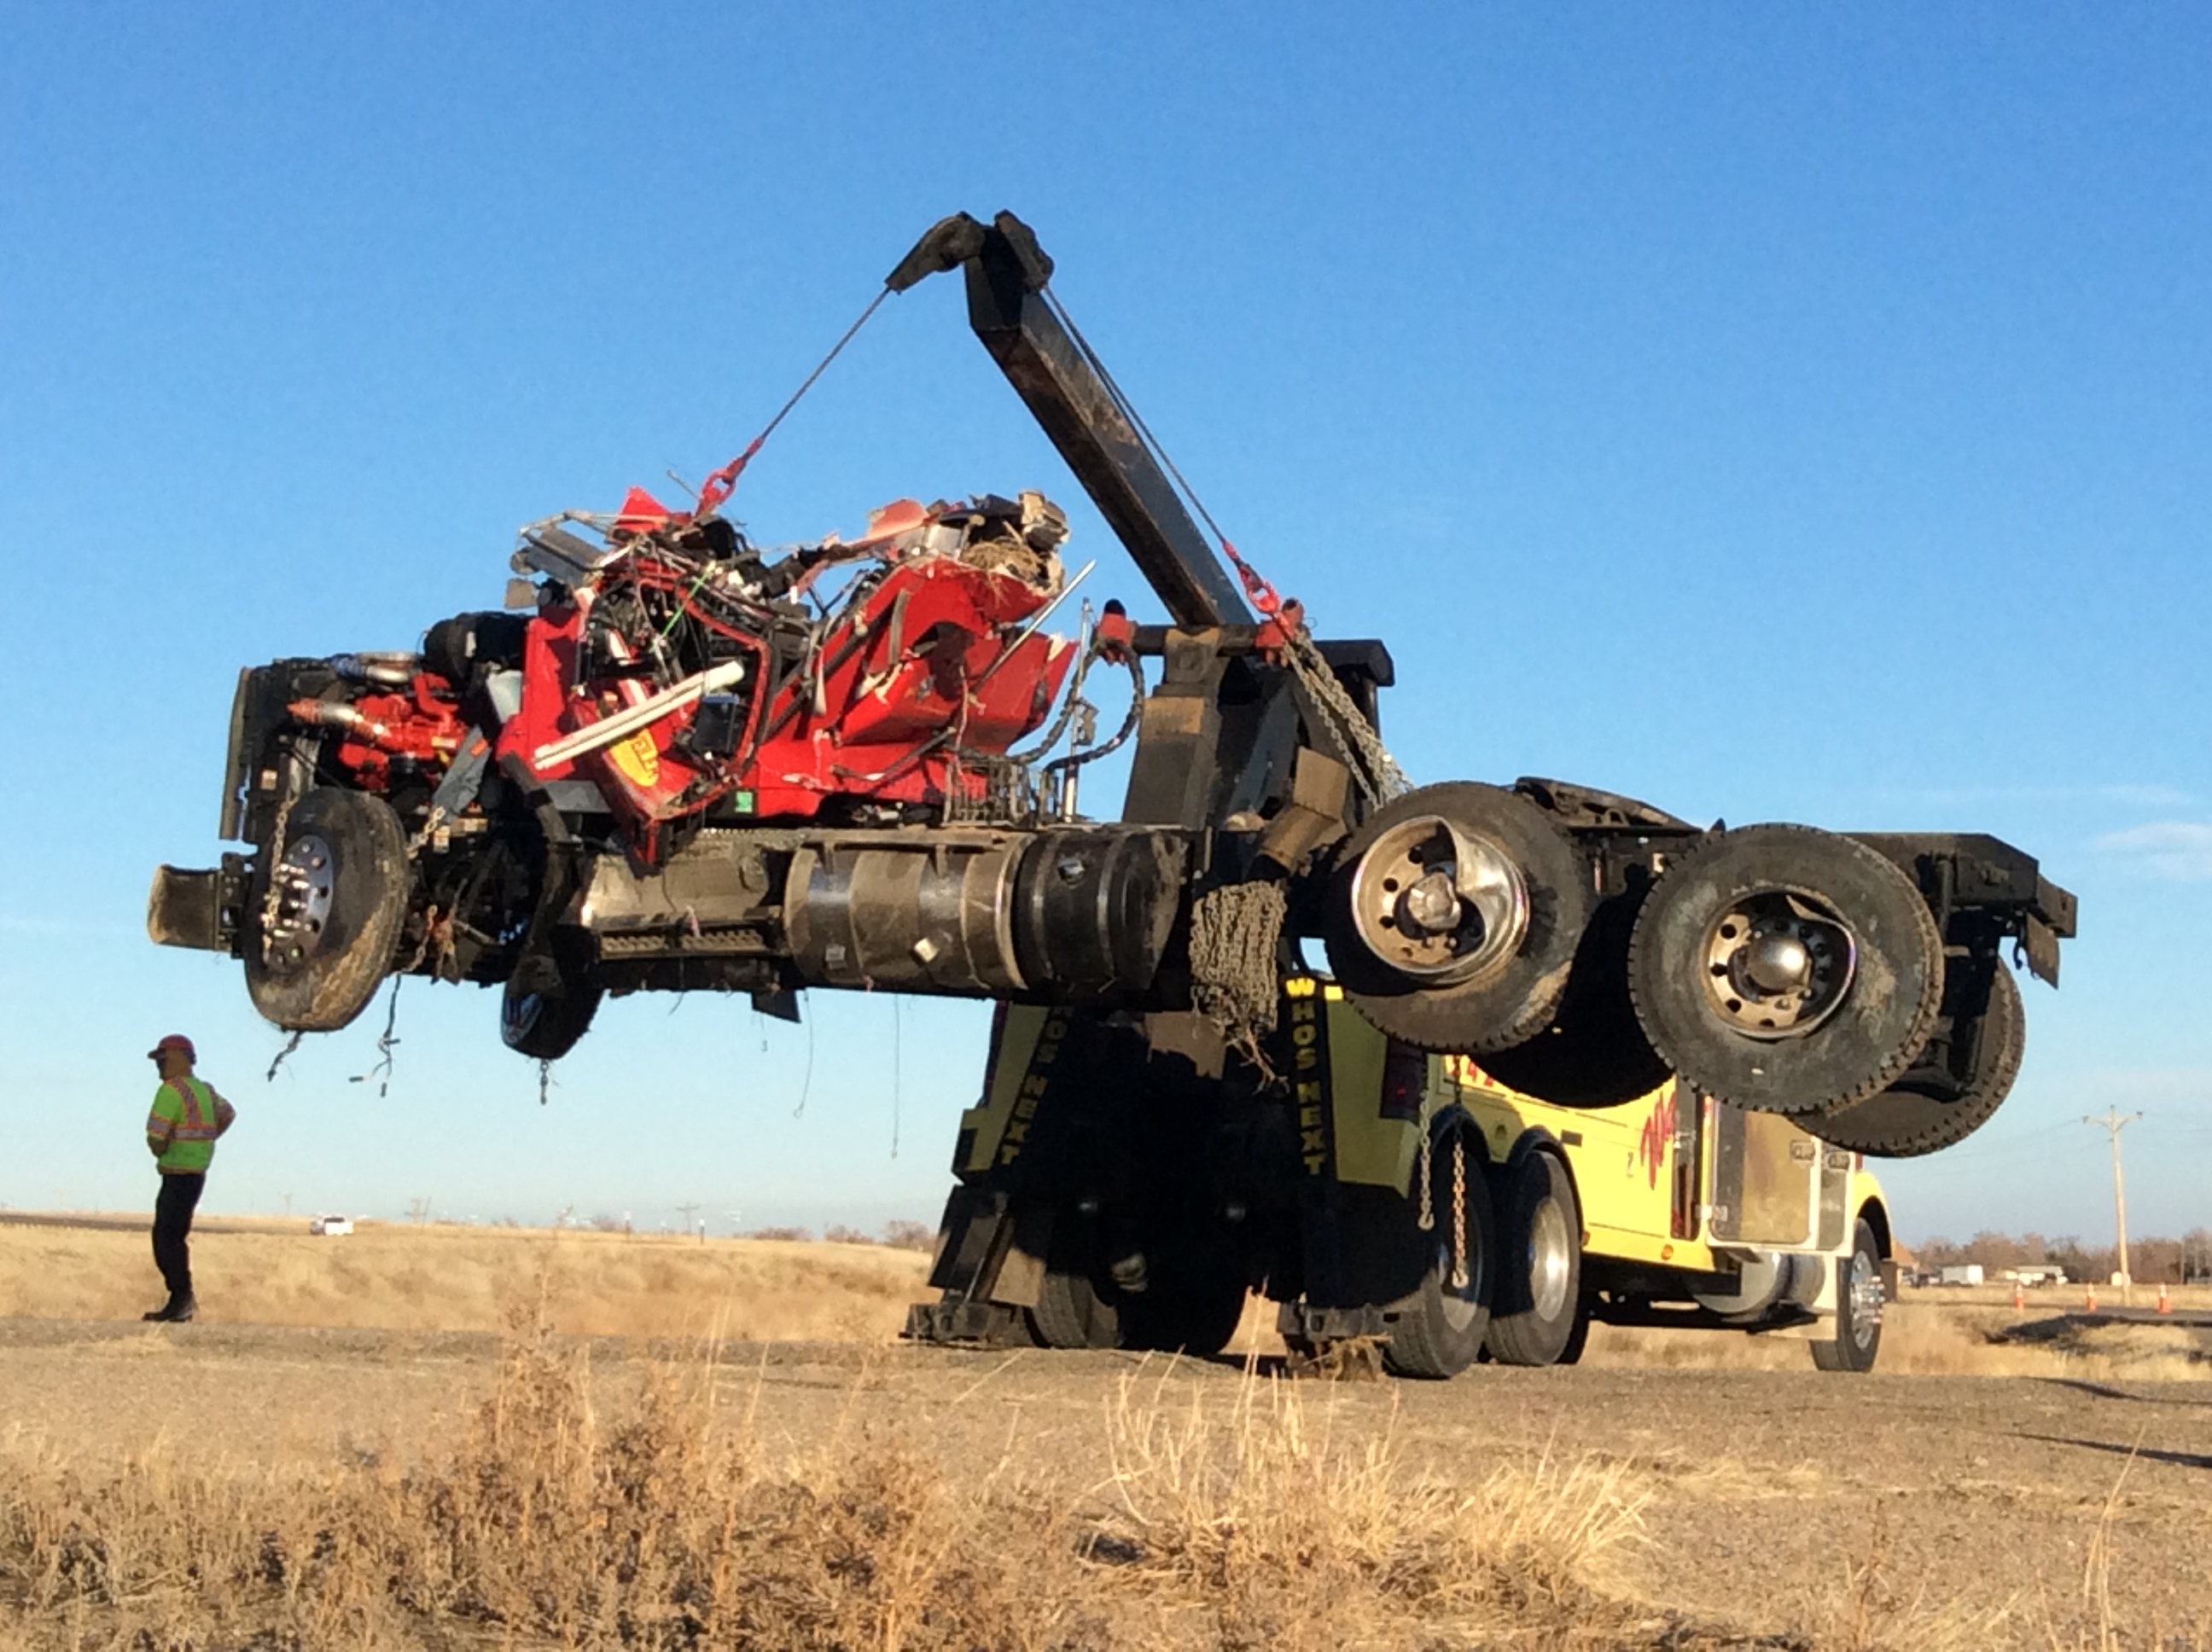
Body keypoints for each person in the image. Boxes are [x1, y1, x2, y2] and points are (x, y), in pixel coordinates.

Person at [143, 1033, 236, 1323]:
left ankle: (181, 1298)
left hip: (176, 1172)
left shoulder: (171, 1091)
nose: (159, 1066)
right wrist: (207, 1140)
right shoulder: (205, 1091)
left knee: (165, 1238)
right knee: (176, 1236)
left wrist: (164, 1149)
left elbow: (156, 1136)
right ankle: (181, 1298)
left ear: (178, 1059)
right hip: (197, 1173)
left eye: (163, 1059)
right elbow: (228, 1113)